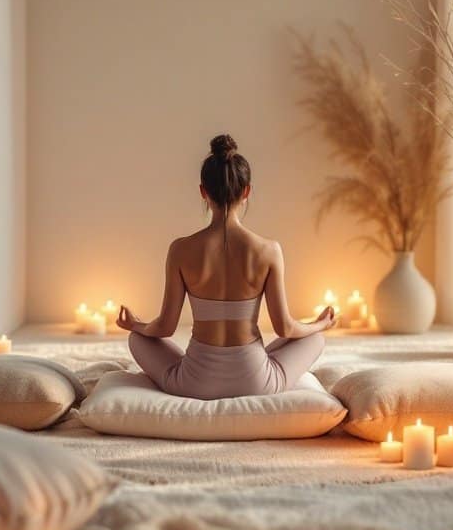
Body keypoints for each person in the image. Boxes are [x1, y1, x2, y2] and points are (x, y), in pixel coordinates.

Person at [117, 134, 337, 400]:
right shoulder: (269, 250)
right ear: (247, 191)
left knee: (137, 340)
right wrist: (320, 324)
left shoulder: (180, 250)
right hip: (257, 382)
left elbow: (164, 328)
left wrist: (136, 325)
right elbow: (286, 329)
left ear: (203, 191)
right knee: (313, 339)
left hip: (193, 384)